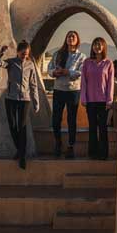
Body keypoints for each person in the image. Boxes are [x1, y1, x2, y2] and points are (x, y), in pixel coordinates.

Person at [0, 40, 42, 169]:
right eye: (22, 54)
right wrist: (1, 53)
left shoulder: (30, 65)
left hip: (25, 99)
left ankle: (22, 156)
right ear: (18, 52)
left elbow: (33, 85)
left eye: (26, 54)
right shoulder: (11, 62)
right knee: (12, 125)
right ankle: (20, 150)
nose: (24, 56)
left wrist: (36, 102)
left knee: (22, 126)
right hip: (11, 98)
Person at [47, 30, 85, 158]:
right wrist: (55, 73)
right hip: (58, 90)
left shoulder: (81, 57)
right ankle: (58, 142)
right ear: (66, 39)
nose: (71, 38)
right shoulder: (58, 54)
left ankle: (70, 145)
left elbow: (80, 73)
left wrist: (67, 72)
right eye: (69, 36)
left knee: (71, 119)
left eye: (73, 36)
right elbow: (49, 69)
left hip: (73, 91)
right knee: (56, 119)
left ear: (77, 40)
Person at [80, 37, 114, 160]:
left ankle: (103, 153)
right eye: (95, 45)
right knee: (92, 127)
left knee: (103, 128)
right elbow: (83, 81)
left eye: (99, 45)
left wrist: (109, 100)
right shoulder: (87, 62)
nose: (97, 47)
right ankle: (93, 153)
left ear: (104, 47)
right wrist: (83, 98)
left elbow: (110, 83)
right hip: (90, 101)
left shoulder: (108, 63)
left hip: (103, 101)